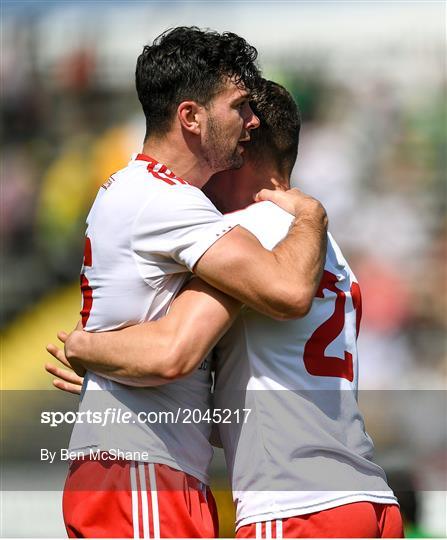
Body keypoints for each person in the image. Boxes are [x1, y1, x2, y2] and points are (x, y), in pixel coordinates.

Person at [47, 79, 403, 538]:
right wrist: (117, 371)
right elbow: (267, 402)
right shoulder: (325, 251)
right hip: (370, 498)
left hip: (295, 506)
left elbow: (173, 349)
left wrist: (87, 348)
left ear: (242, 147)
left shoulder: (248, 238)